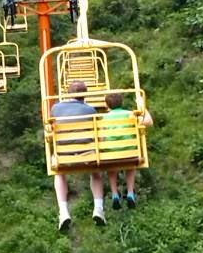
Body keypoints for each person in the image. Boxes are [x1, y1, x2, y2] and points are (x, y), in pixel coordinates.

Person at [50, 80, 105, 231]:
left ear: (69, 93)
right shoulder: (91, 110)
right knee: (96, 173)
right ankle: (98, 207)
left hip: (64, 155)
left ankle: (63, 212)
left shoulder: (55, 108)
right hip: (87, 154)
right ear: (84, 96)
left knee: (59, 173)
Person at [103, 92, 153, 209]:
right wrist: (142, 105)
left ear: (107, 105)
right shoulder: (131, 115)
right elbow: (149, 121)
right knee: (130, 164)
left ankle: (115, 194)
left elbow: (102, 138)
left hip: (112, 154)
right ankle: (130, 193)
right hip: (130, 153)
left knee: (112, 166)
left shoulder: (103, 118)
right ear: (122, 103)